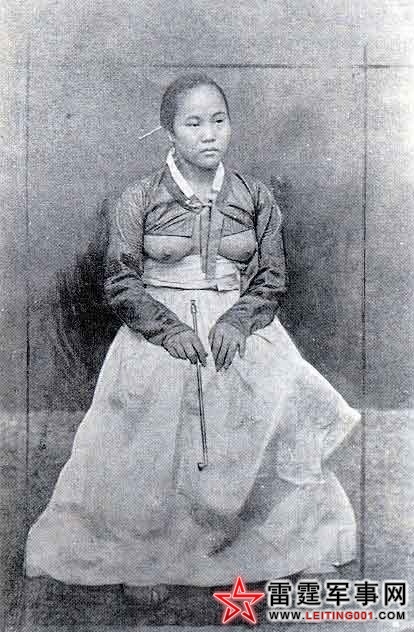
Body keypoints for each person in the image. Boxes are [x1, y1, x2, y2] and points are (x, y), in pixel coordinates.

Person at [24, 74, 361, 607]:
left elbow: (271, 277)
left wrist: (239, 321)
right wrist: (169, 330)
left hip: (238, 326)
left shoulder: (254, 196)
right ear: (170, 133)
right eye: (194, 123)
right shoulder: (139, 198)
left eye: (218, 121)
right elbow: (121, 280)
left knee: (284, 409)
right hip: (159, 330)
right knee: (149, 439)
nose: (209, 134)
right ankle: (146, 555)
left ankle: (291, 543)